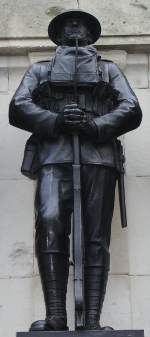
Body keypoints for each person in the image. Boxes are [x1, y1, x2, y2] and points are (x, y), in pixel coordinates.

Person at [9, 9, 142, 332]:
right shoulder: (40, 71)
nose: (74, 27)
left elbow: (130, 107)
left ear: (92, 33)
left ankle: (93, 319)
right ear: (57, 35)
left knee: (96, 236)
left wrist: (95, 124)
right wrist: (55, 120)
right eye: (68, 23)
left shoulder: (108, 70)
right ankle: (56, 314)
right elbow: (19, 105)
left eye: (80, 23)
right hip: (54, 155)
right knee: (50, 225)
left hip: (98, 156)